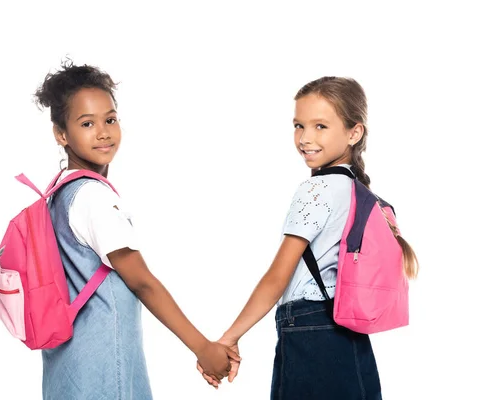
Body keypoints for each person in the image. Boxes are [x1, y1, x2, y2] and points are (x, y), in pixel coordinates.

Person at [198, 76, 419, 399]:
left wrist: (229, 337)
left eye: (320, 126)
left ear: (354, 132)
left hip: (309, 329)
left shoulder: (316, 189)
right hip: (350, 337)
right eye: (299, 126)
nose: (305, 138)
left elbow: (277, 277)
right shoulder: (358, 192)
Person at [35, 60, 239, 400]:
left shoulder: (59, 194)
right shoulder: (92, 197)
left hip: (69, 369)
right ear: (61, 134)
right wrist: (203, 347)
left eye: (110, 119)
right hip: (102, 367)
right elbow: (142, 281)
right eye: (87, 123)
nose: (103, 132)